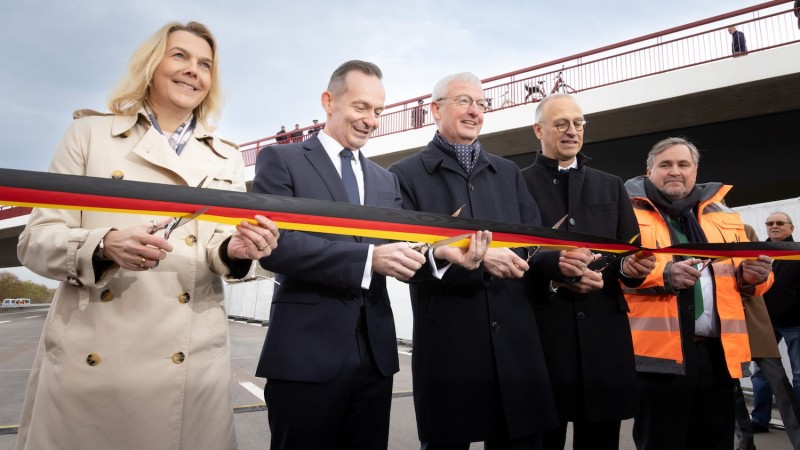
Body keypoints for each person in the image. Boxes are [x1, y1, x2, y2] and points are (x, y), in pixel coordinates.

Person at [15, 21, 280, 450]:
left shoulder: (227, 157)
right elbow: (35, 240)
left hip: (190, 365)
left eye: (205, 64)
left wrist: (237, 250)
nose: (193, 70)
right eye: (180, 56)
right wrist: (102, 246)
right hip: (94, 364)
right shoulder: (87, 135)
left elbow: (218, 248)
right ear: (151, 64)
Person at [389, 72, 594, 449]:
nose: (474, 111)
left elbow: (535, 244)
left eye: (481, 104)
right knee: (448, 439)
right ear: (435, 109)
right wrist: (473, 257)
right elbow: (403, 258)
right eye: (463, 101)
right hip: (450, 341)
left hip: (515, 338)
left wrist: (560, 265)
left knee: (520, 437)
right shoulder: (404, 175)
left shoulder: (508, 173)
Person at [252, 60, 435, 450]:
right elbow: (276, 246)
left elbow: (405, 246)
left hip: (375, 358)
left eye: (378, 111)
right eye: (361, 107)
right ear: (328, 101)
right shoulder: (281, 160)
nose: (371, 120)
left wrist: (447, 256)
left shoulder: (386, 180)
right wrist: (369, 261)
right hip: (305, 355)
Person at [520, 93, 656, 450]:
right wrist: (553, 277)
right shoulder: (517, 184)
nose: (571, 131)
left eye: (578, 123)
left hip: (602, 335)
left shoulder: (610, 184)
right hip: (545, 332)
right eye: (561, 124)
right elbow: (514, 255)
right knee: (541, 436)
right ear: (539, 129)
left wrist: (631, 269)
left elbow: (629, 252)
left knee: (601, 438)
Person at [623, 137, 774, 450]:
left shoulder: (724, 215)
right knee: (661, 442)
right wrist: (663, 276)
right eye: (665, 164)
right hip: (658, 359)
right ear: (649, 171)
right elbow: (609, 272)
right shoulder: (625, 211)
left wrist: (752, 278)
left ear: (695, 170)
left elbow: (741, 279)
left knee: (715, 442)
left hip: (718, 355)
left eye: (683, 164)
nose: (675, 171)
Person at [733, 223, 800, 450]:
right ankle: (746, 440)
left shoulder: (742, 229)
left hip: (754, 319)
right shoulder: (691, 229)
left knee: (779, 381)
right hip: (725, 324)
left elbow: (760, 276)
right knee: (733, 386)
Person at [751, 213, 800, 441]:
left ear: (791, 227)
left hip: (795, 322)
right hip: (765, 323)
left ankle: (798, 423)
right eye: (770, 223)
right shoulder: (758, 253)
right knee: (760, 374)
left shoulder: (797, 252)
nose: (774, 226)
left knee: (799, 374)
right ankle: (760, 420)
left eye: (780, 223)